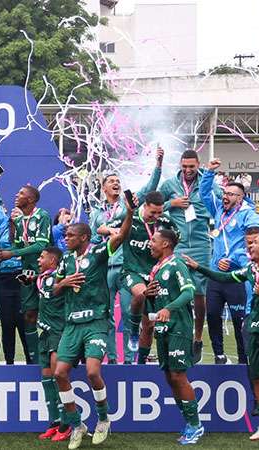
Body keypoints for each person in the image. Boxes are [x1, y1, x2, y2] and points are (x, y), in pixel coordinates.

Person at [183, 233, 259, 444]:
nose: (251, 245)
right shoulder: (250, 270)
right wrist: (198, 267)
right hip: (255, 329)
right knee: (256, 377)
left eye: (255, 243)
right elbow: (224, 277)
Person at [53, 193, 134, 450]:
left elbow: (119, 236)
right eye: (65, 236)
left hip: (96, 321)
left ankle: (103, 418)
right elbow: (54, 289)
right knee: (60, 373)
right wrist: (63, 283)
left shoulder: (99, 252)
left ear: (84, 238)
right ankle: (77, 424)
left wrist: (130, 212)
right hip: (72, 324)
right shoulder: (65, 260)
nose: (66, 239)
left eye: (70, 236)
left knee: (91, 371)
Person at [88, 147, 163, 364]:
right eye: (110, 180)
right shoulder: (96, 211)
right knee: (107, 316)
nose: (116, 183)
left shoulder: (128, 207)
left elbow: (151, 187)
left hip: (126, 266)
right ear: (103, 187)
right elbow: (95, 233)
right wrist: (111, 231)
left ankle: (129, 359)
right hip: (104, 268)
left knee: (133, 313)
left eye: (117, 180)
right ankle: (112, 358)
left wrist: (157, 165)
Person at [99, 191, 176, 364]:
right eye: (153, 212)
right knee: (141, 293)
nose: (156, 216)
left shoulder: (165, 222)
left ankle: (140, 363)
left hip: (154, 274)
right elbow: (100, 228)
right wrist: (113, 230)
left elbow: (176, 238)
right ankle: (134, 331)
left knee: (149, 325)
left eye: (159, 212)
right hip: (132, 271)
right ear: (145, 206)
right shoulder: (130, 218)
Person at [144, 229, 204, 444]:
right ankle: (189, 421)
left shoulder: (176, 264)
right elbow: (156, 302)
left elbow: (188, 292)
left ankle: (195, 425)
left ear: (166, 244)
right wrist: (148, 296)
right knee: (170, 377)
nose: (150, 243)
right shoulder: (156, 269)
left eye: (154, 240)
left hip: (179, 327)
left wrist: (168, 308)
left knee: (178, 375)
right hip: (163, 329)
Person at [201, 158, 259, 364]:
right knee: (212, 315)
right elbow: (203, 193)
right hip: (217, 274)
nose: (225, 197)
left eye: (230, 194)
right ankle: (219, 355)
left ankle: (244, 360)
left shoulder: (249, 215)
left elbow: (255, 241)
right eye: (225, 193)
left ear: (241, 197)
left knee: (238, 320)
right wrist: (209, 172)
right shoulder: (219, 210)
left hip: (237, 275)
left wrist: (234, 260)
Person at [158, 149, 210, 363]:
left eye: (192, 166)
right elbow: (156, 207)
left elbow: (215, 204)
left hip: (200, 243)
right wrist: (173, 204)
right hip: (178, 245)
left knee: (199, 294)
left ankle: (197, 338)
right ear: (180, 165)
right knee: (177, 290)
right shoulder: (170, 185)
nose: (188, 170)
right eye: (185, 166)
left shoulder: (207, 182)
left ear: (198, 165)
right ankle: (178, 334)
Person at [0, 184, 50, 364]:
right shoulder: (19, 222)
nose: (16, 195)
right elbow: (19, 247)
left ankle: (52, 354)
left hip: (45, 274)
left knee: (48, 314)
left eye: (21, 193)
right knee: (28, 314)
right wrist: (2, 253)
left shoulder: (42, 216)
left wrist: (11, 253)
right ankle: (34, 359)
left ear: (31, 199)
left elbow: (41, 246)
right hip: (26, 275)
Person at [0, 174, 29, 365]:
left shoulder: (32, 226)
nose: (14, 212)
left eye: (19, 212)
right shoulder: (4, 224)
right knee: (8, 322)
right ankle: (9, 362)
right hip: (3, 279)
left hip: (23, 278)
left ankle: (31, 360)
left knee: (25, 321)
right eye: (13, 211)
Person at [32, 247, 69, 442]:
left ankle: (66, 423)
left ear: (53, 260)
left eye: (41, 256)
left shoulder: (60, 278)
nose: (38, 260)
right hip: (44, 334)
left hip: (58, 333)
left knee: (57, 378)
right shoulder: (44, 278)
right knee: (46, 381)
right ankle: (53, 423)